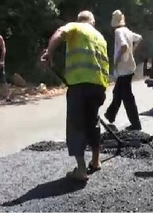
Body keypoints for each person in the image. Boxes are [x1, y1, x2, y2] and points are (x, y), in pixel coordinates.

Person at [41, 10, 109, 182]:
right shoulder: (100, 37)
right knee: (93, 121)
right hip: (98, 86)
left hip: (79, 85)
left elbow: (59, 33)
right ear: (92, 22)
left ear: (80, 20)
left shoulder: (76, 27)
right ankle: (95, 161)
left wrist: (49, 52)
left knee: (76, 124)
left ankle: (81, 170)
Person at [104, 10, 142, 130]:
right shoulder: (127, 31)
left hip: (123, 69)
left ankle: (136, 124)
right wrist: (132, 51)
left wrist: (117, 60)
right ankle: (110, 115)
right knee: (118, 93)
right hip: (129, 68)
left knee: (127, 97)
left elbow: (124, 46)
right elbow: (139, 38)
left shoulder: (118, 31)